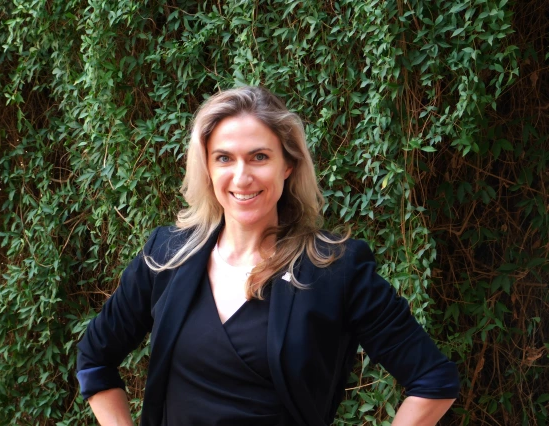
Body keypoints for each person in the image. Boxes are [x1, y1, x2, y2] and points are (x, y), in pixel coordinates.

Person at [76, 86, 459, 426]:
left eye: (259, 157)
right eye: (224, 158)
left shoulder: (335, 269)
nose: (242, 177)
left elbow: (433, 381)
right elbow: (95, 358)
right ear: (207, 168)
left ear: (288, 165)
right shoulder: (166, 256)